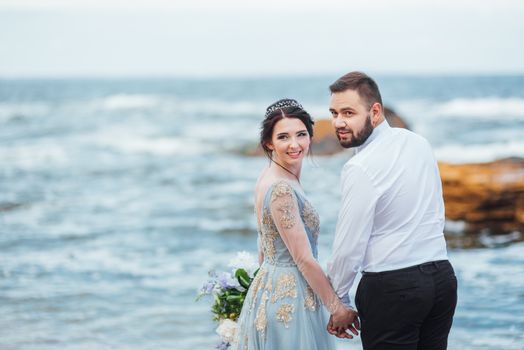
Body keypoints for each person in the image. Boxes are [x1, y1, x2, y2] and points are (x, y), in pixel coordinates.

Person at [326, 71, 458, 350]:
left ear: (375, 112)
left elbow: (349, 243)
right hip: (442, 279)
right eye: (334, 112)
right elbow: (437, 211)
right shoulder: (418, 142)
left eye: (348, 112)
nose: (338, 122)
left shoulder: (359, 167)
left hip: (392, 288)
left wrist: (338, 301)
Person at [233, 99, 354, 350]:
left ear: (310, 136)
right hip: (291, 297)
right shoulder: (281, 189)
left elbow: (263, 246)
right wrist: (336, 307)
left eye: (301, 134)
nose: (294, 144)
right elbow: (303, 259)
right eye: (283, 137)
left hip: (271, 284)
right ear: (269, 143)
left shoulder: (270, 176)